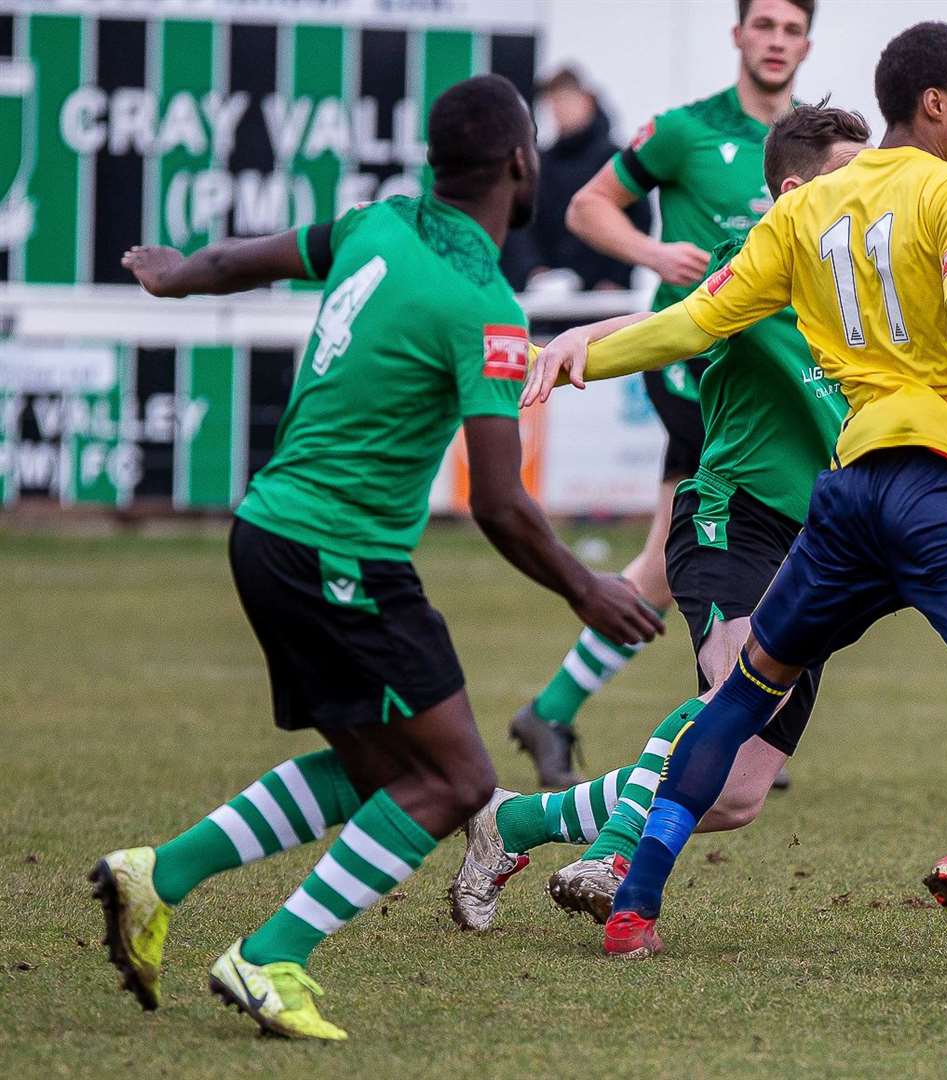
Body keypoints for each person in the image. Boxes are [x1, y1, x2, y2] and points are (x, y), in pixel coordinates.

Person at [523, 21, 947, 958]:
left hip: (848, 497)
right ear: (936, 104)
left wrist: (583, 359)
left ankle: (635, 907)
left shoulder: (805, 210)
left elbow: (693, 323)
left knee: (738, 699)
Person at [87, 75, 662, 1040]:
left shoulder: (375, 222)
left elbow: (239, 258)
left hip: (269, 532)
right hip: (338, 556)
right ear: (521, 164)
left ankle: (161, 875)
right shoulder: (484, 304)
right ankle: (270, 955)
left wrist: (176, 273)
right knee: (456, 782)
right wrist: (586, 587)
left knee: (382, 770)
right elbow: (502, 505)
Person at [507, 0, 816, 788]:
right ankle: (735, 712)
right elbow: (585, 207)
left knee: (660, 561)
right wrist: (655, 252)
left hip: (778, 371)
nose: (776, 42)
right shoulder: (682, 129)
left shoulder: (816, 145)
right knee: (734, 526)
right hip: (701, 366)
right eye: (765, 26)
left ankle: (565, 707)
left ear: (805, 43)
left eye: (791, 30)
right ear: (738, 35)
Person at [500, 66, 650, 293]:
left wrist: (616, 278)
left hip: (605, 299)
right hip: (548, 299)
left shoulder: (615, 159)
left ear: (586, 100)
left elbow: (639, 220)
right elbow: (519, 222)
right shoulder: (540, 165)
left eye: (566, 101)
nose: (560, 111)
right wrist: (533, 271)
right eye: (554, 104)